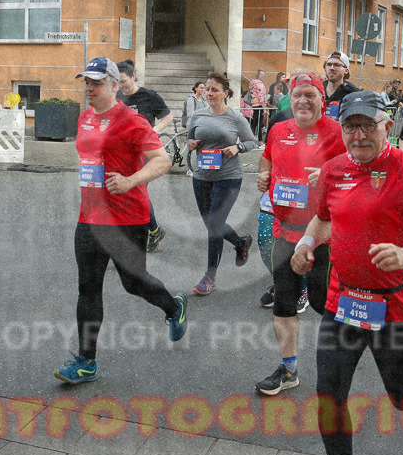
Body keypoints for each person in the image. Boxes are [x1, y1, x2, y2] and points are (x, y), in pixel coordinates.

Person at [291, 91, 403, 455]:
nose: (357, 135)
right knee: (328, 392)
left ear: (387, 126)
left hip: (397, 305)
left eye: (366, 125)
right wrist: (307, 242)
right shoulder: (333, 170)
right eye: (349, 126)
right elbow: (324, 218)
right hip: (344, 301)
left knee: (399, 400)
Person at [54, 57, 188, 384]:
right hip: (90, 217)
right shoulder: (85, 117)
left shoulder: (132, 120)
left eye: (96, 82)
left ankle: (174, 307)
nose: (89, 87)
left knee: (133, 283)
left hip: (128, 216)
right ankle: (87, 362)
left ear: (115, 85)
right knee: (88, 289)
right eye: (86, 81)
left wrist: (130, 181)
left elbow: (162, 160)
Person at [254, 73, 344, 395]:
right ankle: (289, 370)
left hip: (323, 234)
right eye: (297, 95)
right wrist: (263, 176)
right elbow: (266, 159)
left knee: (323, 302)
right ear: (289, 99)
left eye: (310, 94)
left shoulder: (337, 132)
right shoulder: (279, 129)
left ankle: (346, 357)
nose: (303, 100)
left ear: (323, 99)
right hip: (285, 232)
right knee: (284, 305)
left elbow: (361, 168)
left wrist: (330, 174)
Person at [186, 72, 257, 295]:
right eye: (207, 89)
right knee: (211, 224)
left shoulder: (235, 117)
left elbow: (251, 141)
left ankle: (209, 276)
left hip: (228, 176)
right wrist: (190, 144)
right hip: (202, 176)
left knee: (215, 224)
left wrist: (238, 148)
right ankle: (240, 242)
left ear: (225, 93)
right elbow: (189, 139)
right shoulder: (197, 115)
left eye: (214, 89)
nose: (209, 93)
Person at [116, 59, 174, 252]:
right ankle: (154, 230)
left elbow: (168, 116)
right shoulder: (116, 96)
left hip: (146, 153)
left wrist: (154, 131)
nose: (121, 86)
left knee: (137, 188)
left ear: (133, 76)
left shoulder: (149, 96)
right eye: (117, 81)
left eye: (124, 81)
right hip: (124, 153)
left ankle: (134, 236)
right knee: (127, 191)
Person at [322, 52, 359, 119]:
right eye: (329, 64)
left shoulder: (352, 93)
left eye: (337, 65)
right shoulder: (318, 88)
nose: (332, 68)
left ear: (346, 70)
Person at [246, 71, 268, 143]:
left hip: (254, 104)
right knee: (259, 123)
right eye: (261, 74)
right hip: (259, 105)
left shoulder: (253, 83)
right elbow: (261, 96)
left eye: (264, 75)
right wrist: (264, 108)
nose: (263, 76)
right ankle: (260, 140)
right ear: (258, 75)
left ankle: (251, 139)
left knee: (254, 123)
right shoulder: (260, 85)